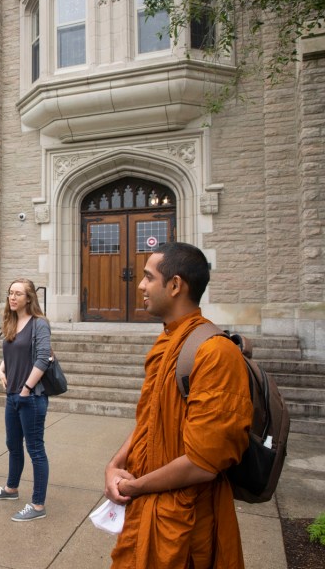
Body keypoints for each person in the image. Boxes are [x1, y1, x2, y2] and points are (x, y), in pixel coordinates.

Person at [103, 242, 253, 568]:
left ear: (174, 285)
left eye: (148, 277)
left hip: (187, 522)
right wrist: (115, 465)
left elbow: (203, 462)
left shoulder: (215, 353)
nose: (140, 285)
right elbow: (150, 419)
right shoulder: (168, 340)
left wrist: (135, 486)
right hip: (148, 506)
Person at [0, 278, 51, 522]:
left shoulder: (39, 324)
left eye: (18, 294)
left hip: (30, 396)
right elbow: (12, 352)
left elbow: (43, 359)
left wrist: (25, 389)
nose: (12, 297)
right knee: (13, 445)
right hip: (12, 395)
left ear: (29, 298)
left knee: (35, 450)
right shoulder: (12, 321)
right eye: (10, 293)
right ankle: (12, 489)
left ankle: (37, 504)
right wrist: (1, 369)